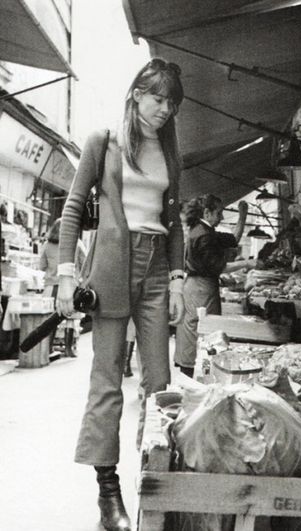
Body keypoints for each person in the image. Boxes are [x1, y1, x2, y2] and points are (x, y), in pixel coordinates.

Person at [56, 58, 185, 531]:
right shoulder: (103, 142)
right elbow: (72, 207)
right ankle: (108, 494)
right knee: (107, 379)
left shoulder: (171, 151)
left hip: (156, 269)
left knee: (160, 383)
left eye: (171, 103)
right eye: (157, 99)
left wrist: (176, 281)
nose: (164, 110)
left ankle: (153, 474)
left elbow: (174, 224)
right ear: (136, 94)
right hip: (110, 267)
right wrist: (66, 276)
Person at [175, 195, 259, 377]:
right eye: (219, 213)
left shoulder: (205, 230)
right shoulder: (204, 235)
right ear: (207, 212)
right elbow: (218, 267)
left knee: (202, 332)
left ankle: (196, 374)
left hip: (201, 287)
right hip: (200, 289)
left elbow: (234, 239)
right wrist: (247, 264)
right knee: (201, 332)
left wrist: (243, 215)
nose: (221, 217)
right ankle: (193, 378)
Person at [39, 218, 86, 357]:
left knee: (51, 318)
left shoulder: (47, 245)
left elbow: (41, 266)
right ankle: (68, 349)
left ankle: (48, 349)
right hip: (70, 286)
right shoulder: (77, 244)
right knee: (70, 318)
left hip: (50, 287)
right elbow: (85, 263)